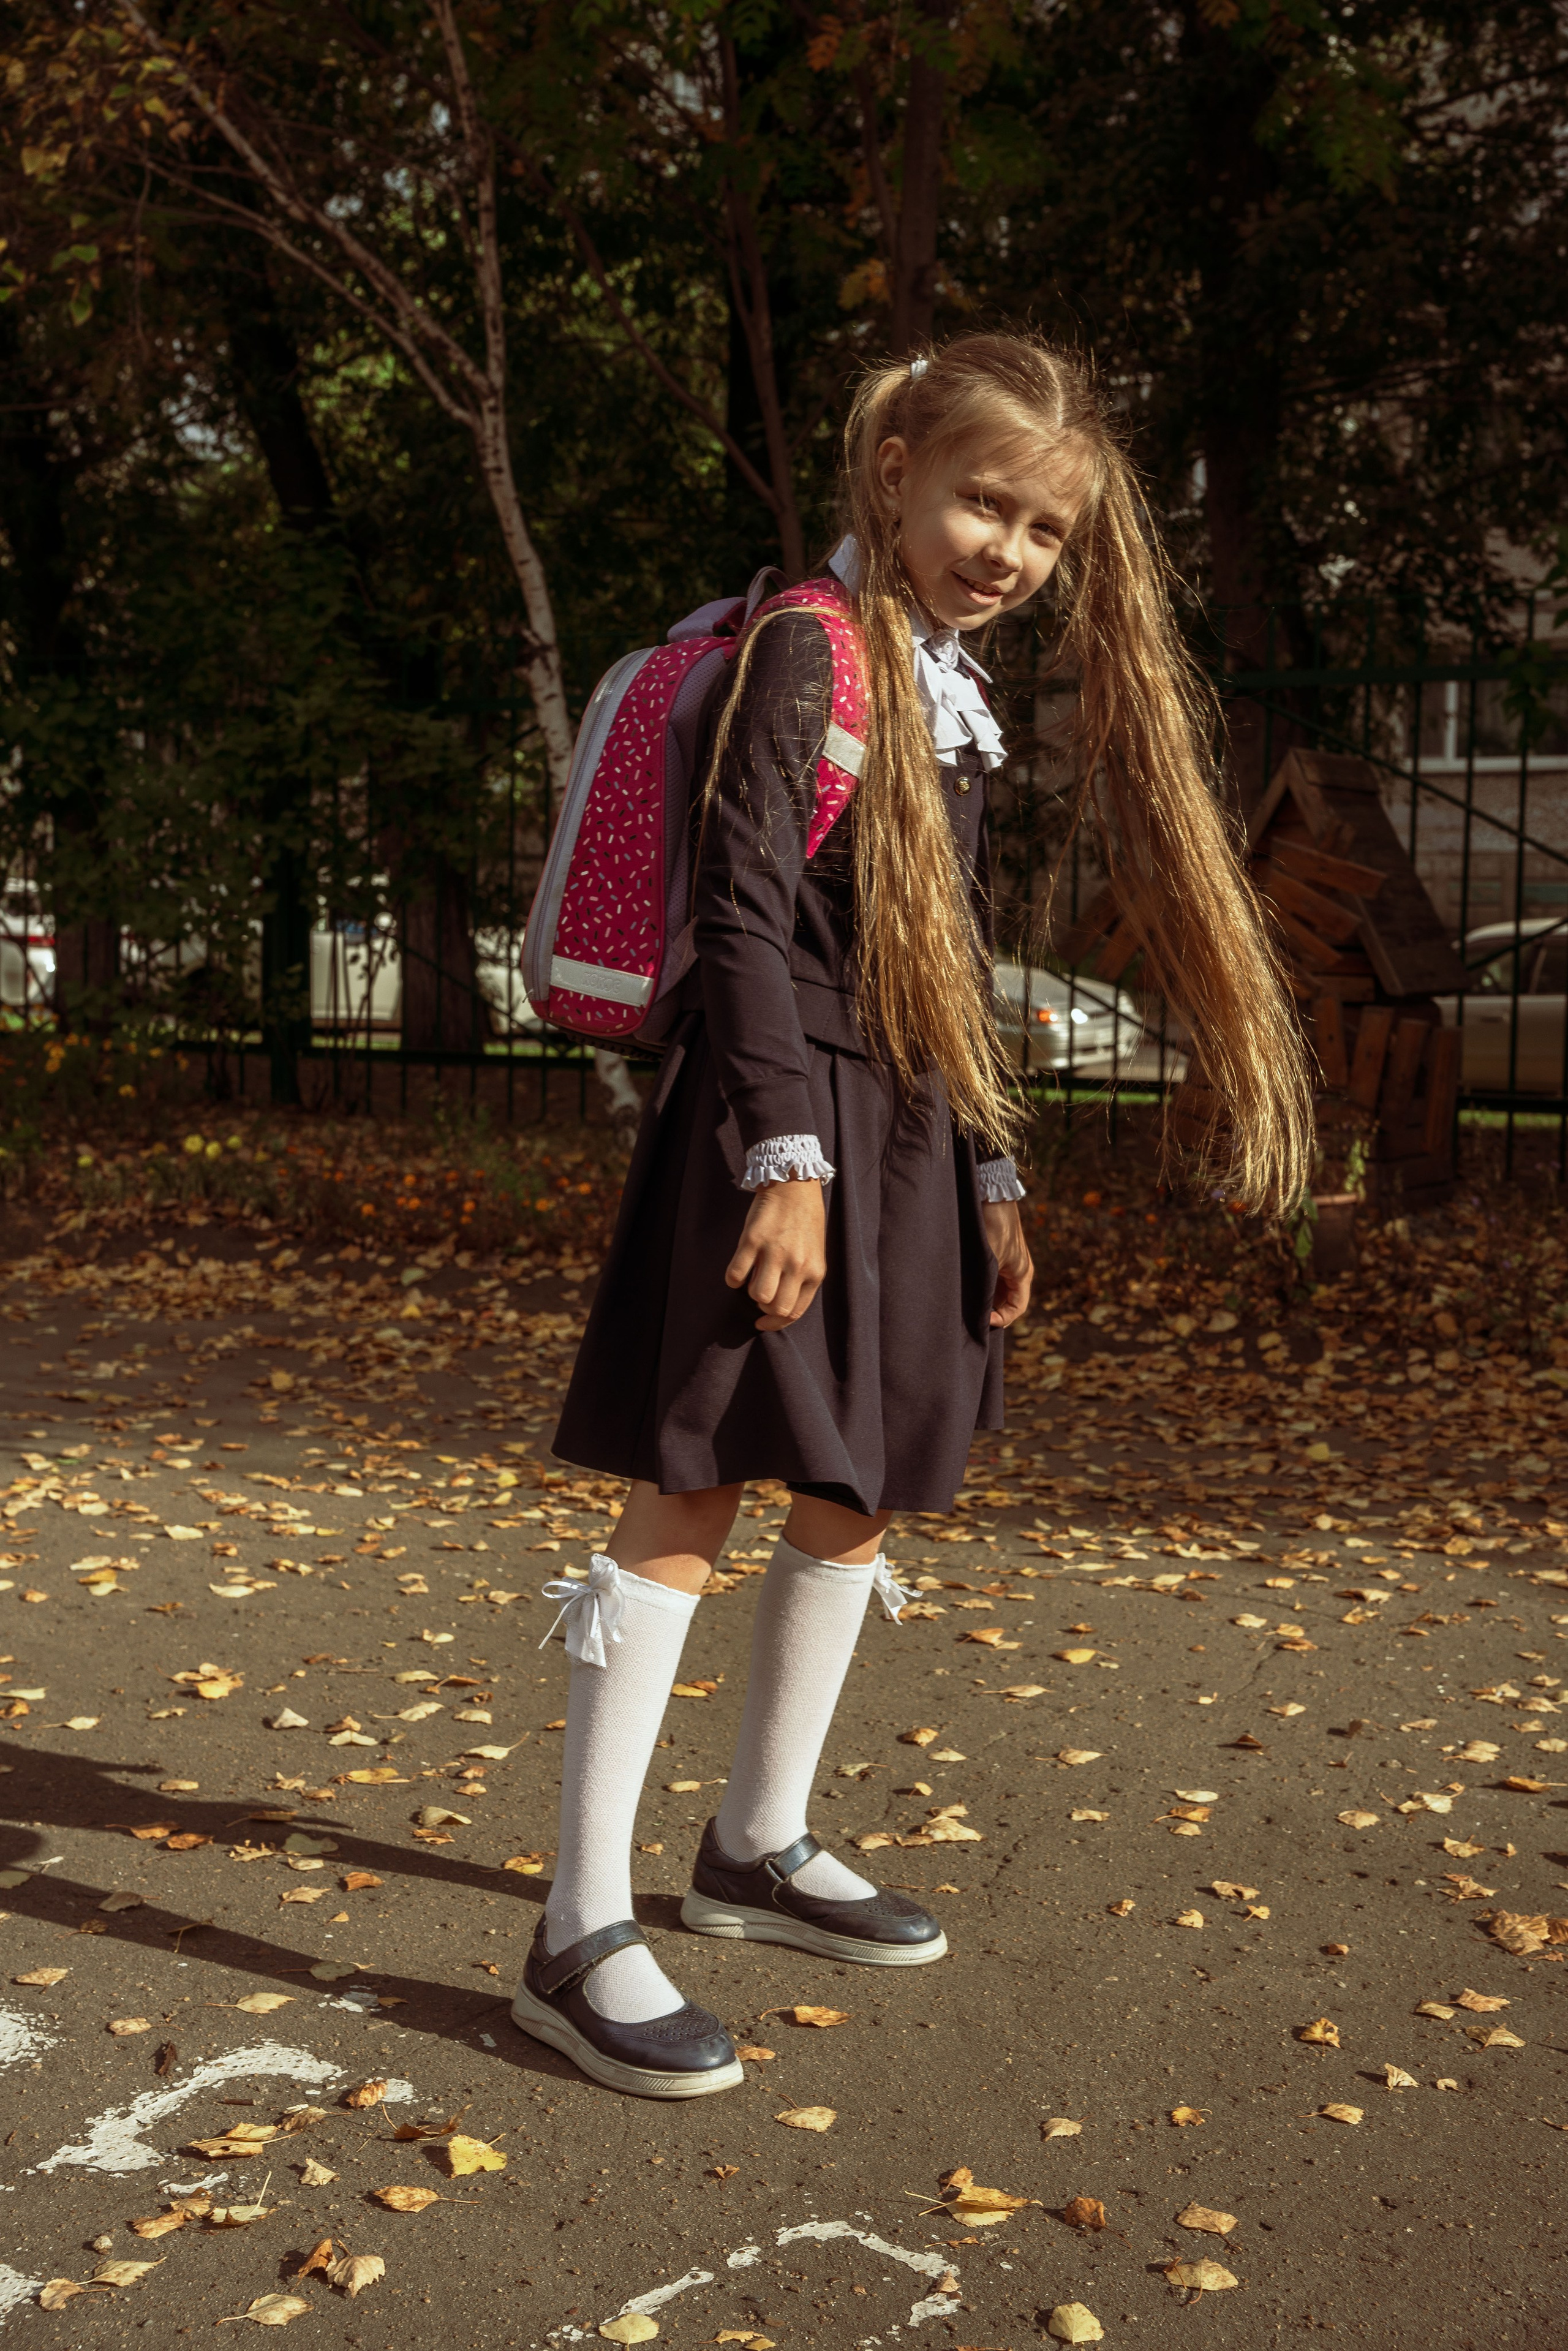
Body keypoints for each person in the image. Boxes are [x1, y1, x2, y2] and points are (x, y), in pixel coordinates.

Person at [510, 333, 1311, 2098]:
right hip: (783, 1117)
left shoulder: (943, 681)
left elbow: (942, 954)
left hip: (911, 1131)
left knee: (860, 1479)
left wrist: (993, 1171)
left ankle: (754, 1845)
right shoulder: (813, 647)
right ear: (896, 474)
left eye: (1046, 528)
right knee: (699, 1477)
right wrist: (783, 1162)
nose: (1010, 550)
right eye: (983, 503)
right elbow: (742, 918)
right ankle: (577, 1926)